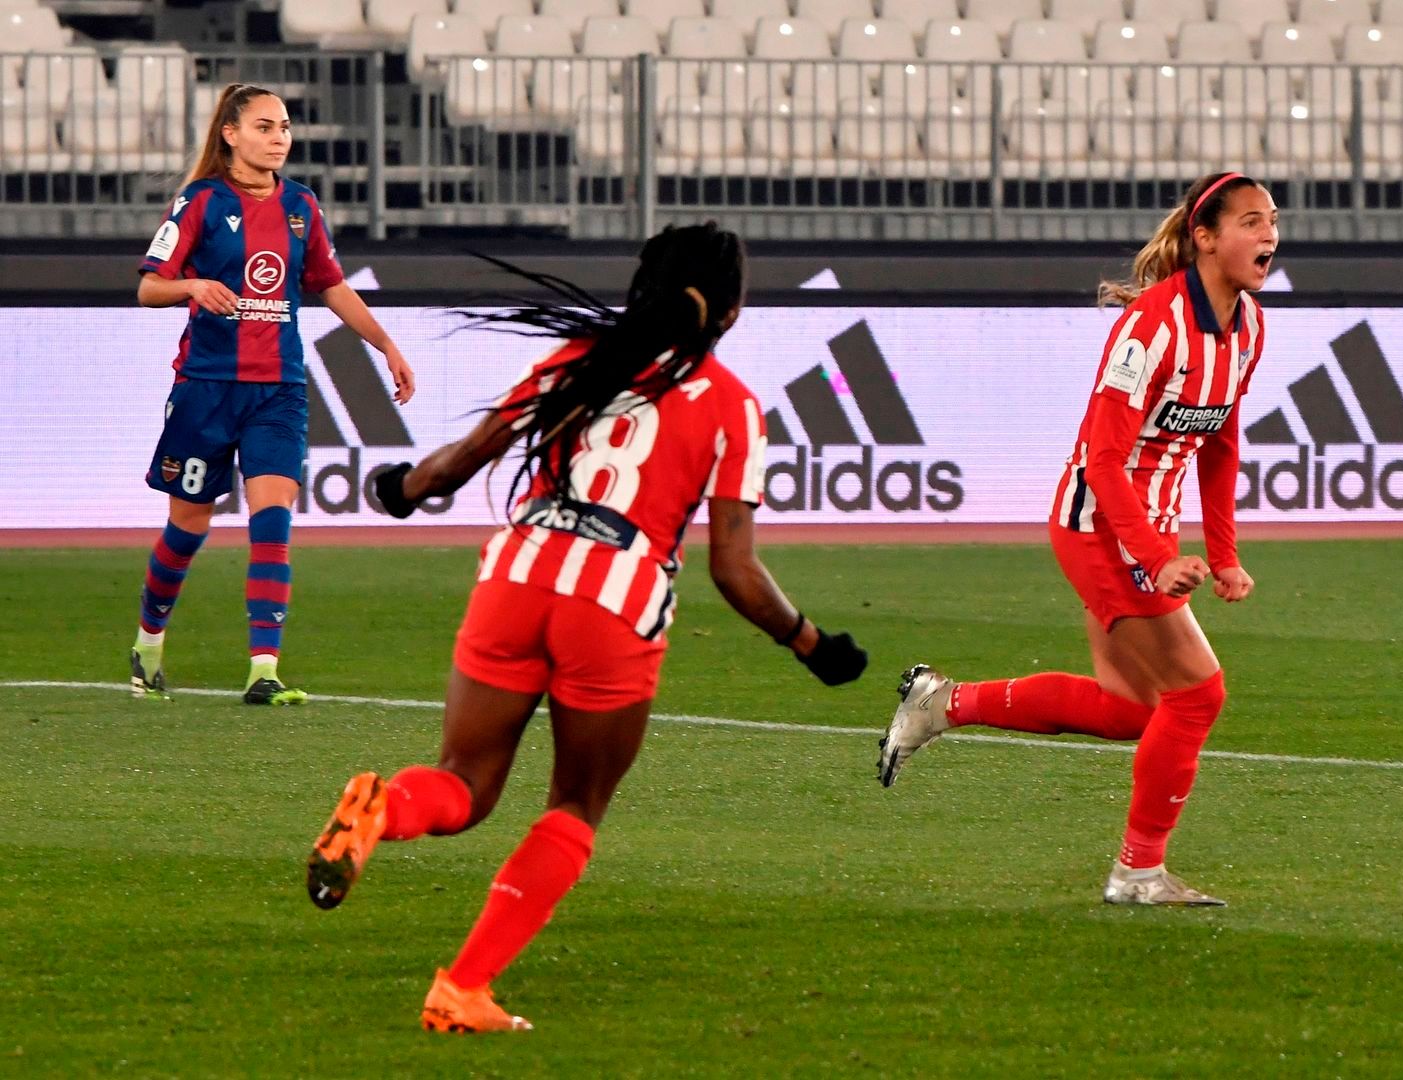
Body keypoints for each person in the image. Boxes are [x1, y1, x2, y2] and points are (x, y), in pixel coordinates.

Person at [303, 223, 868, 1033]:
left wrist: (401, 489)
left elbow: (458, 462)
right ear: (732, 312)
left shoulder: (576, 360)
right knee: (574, 804)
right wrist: (812, 644)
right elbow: (734, 569)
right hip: (616, 594)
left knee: (463, 780)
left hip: (518, 567)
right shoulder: (733, 405)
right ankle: (462, 989)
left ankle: (382, 809)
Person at [877, 173, 1278, 907]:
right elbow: (1104, 458)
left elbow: (1221, 441)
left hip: (1143, 535)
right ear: (1205, 237)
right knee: (1197, 695)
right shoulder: (1151, 327)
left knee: (1131, 709)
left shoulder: (1248, 325)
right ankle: (1138, 873)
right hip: (1101, 529)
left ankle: (943, 703)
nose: (1270, 234)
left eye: (1272, 220)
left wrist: (1223, 555)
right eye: (1251, 221)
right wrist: (1156, 558)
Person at [130, 82, 414, 705]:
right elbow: (149, 287)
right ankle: (148, 643)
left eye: (284, 126)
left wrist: (385, 345)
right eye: (264, 126)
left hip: (279, 389)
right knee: (187, 528)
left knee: (272, 523)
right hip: (207, 388)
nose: (279, 137)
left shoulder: (301, 205)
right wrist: (192, 287)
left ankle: (264, 670)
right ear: (230, 134)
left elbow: (331, 285)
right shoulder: (200, 201)